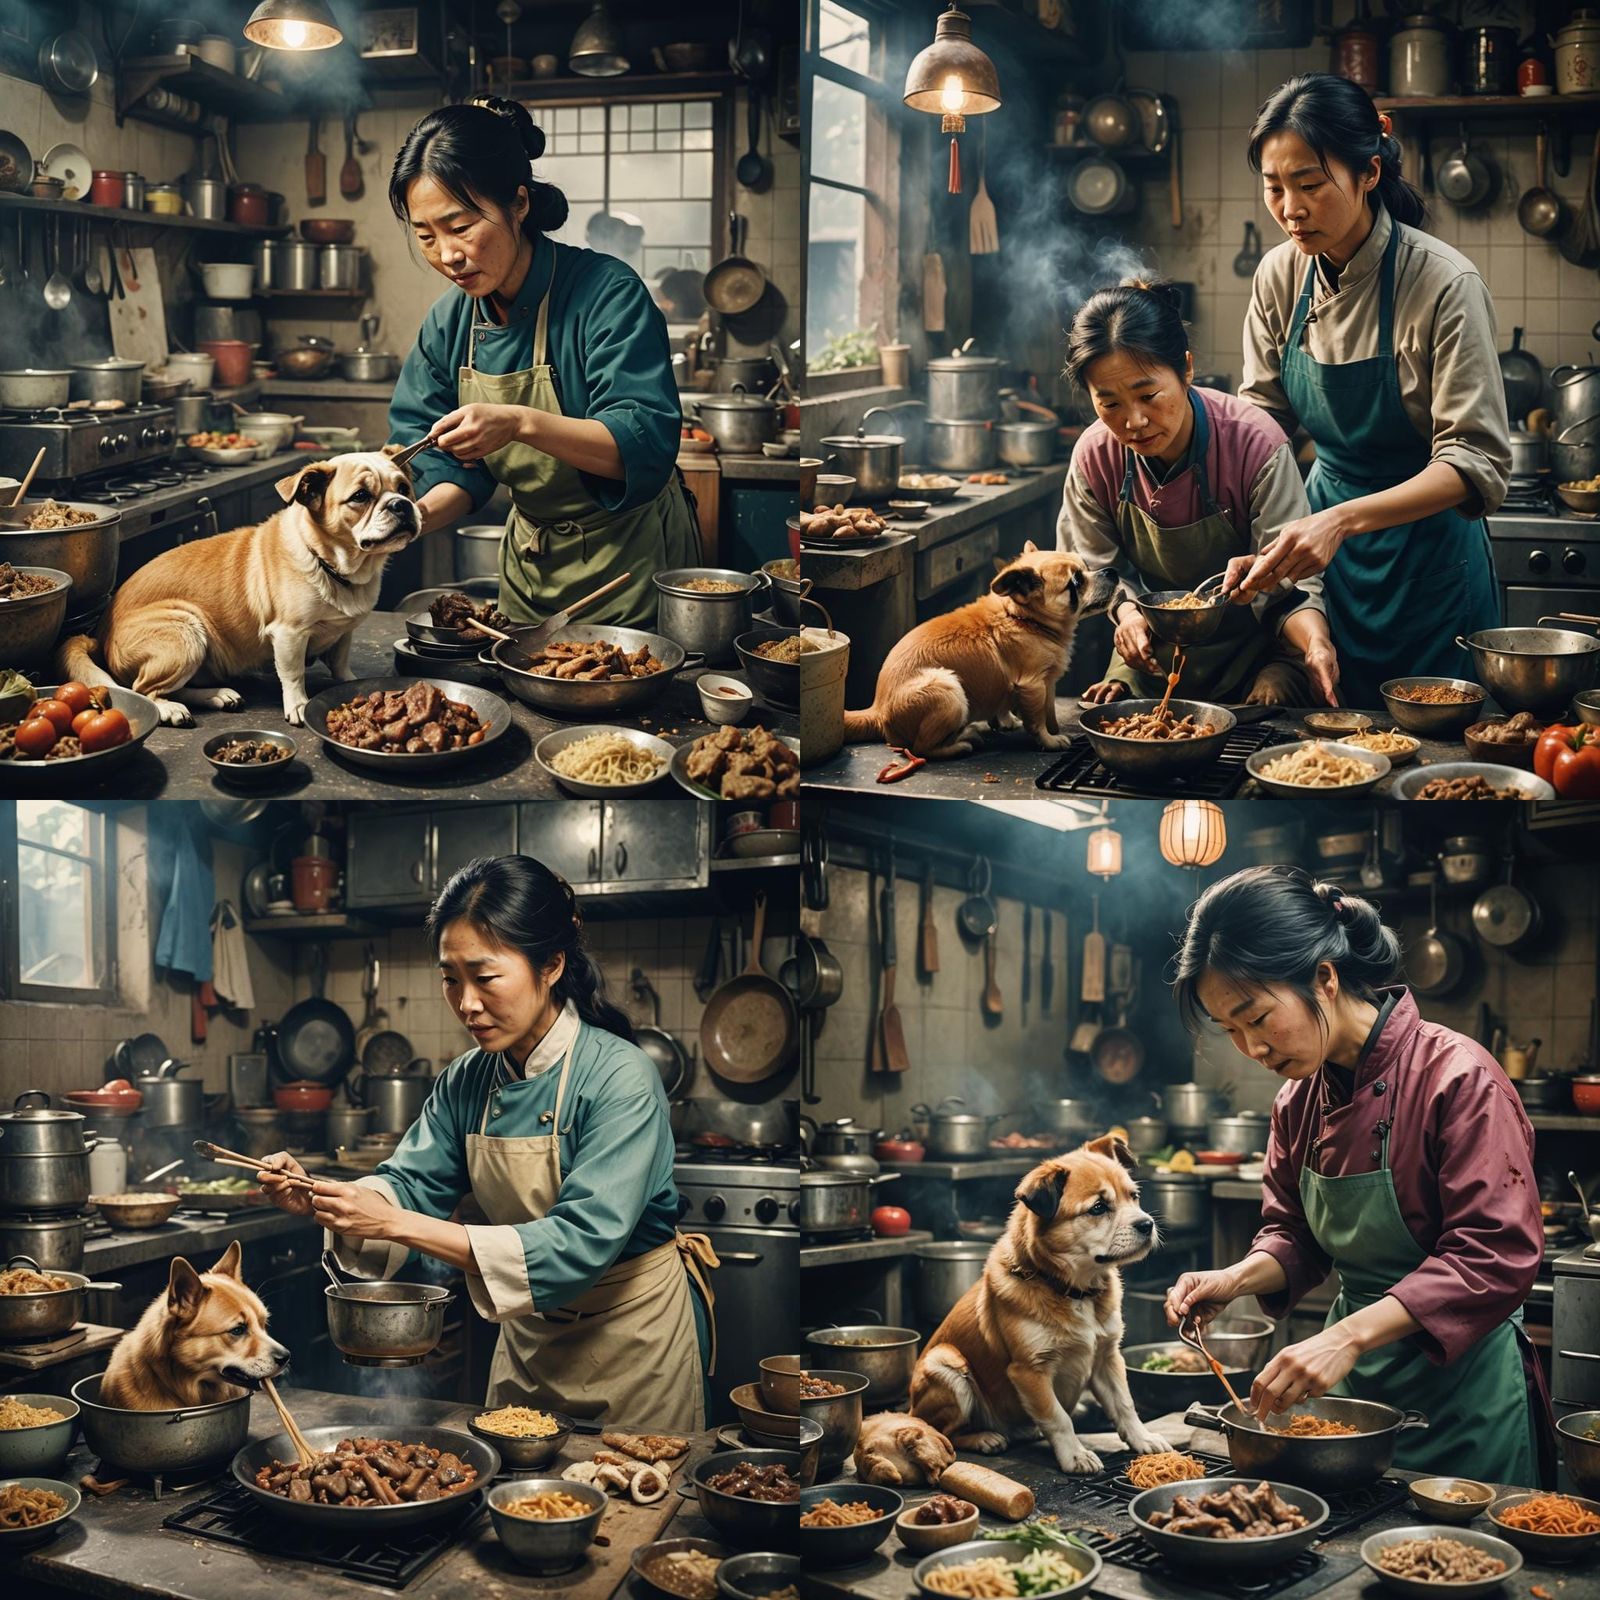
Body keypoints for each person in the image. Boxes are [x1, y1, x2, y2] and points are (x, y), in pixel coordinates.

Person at [260, 855, 717, 1431]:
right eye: (451, 978)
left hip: (635, 1339)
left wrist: (394, 1224)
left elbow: (576, 1242)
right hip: (528, 1341)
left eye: (485, 977)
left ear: (550, 964)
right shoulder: (468, 1078)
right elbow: (409, 1184)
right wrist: (335, 1201)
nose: (466, 1004)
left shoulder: (622, 1076)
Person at [1162, 867, 1549, 1486]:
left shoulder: (1457, 1077)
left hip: (1466, 1398)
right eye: (1230, 1031)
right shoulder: (1298, 1101)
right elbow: (1293, 1233)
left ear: (1324, 977)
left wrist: (1344, 1336)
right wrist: (1233, 1279)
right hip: (1355, 1398)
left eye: (1257, 1018)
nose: (1251, 1049)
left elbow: (1494, 1255)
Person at [1234, 74, 1509, 706]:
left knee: (1443, 771)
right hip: (1324, 567)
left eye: (1309, 184)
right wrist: (1242, 518)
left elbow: (1476, 462)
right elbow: (1260, 425)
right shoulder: (1279, 274)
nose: (1290, 209)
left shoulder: (1443, 283)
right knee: (1325, 756)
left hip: (1430, 564)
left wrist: (1340, 521)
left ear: (1369, 174)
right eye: (1274, 187)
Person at [387, 98, 699, 627]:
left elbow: (642, 444)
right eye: (426, 236)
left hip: (631, 562)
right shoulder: (449, 322)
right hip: (529, 569)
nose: (447, 255)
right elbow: (441, 464)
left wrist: (519, 422)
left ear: (519, 204)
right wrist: (409, 521)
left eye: (460, 226)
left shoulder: (607, 293)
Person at [1058, 279, 1339, 707]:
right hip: (1151, 659)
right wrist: (1128, 615)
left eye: (1148, 395)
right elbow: (1096, 569)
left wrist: (1316, 643)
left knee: (1268, 712)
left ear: (1186, 369)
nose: (1134, 422)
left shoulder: (1254, 445)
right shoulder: (1094, 457)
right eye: (1109, 403)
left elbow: (1290, 585)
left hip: (1256, 655)